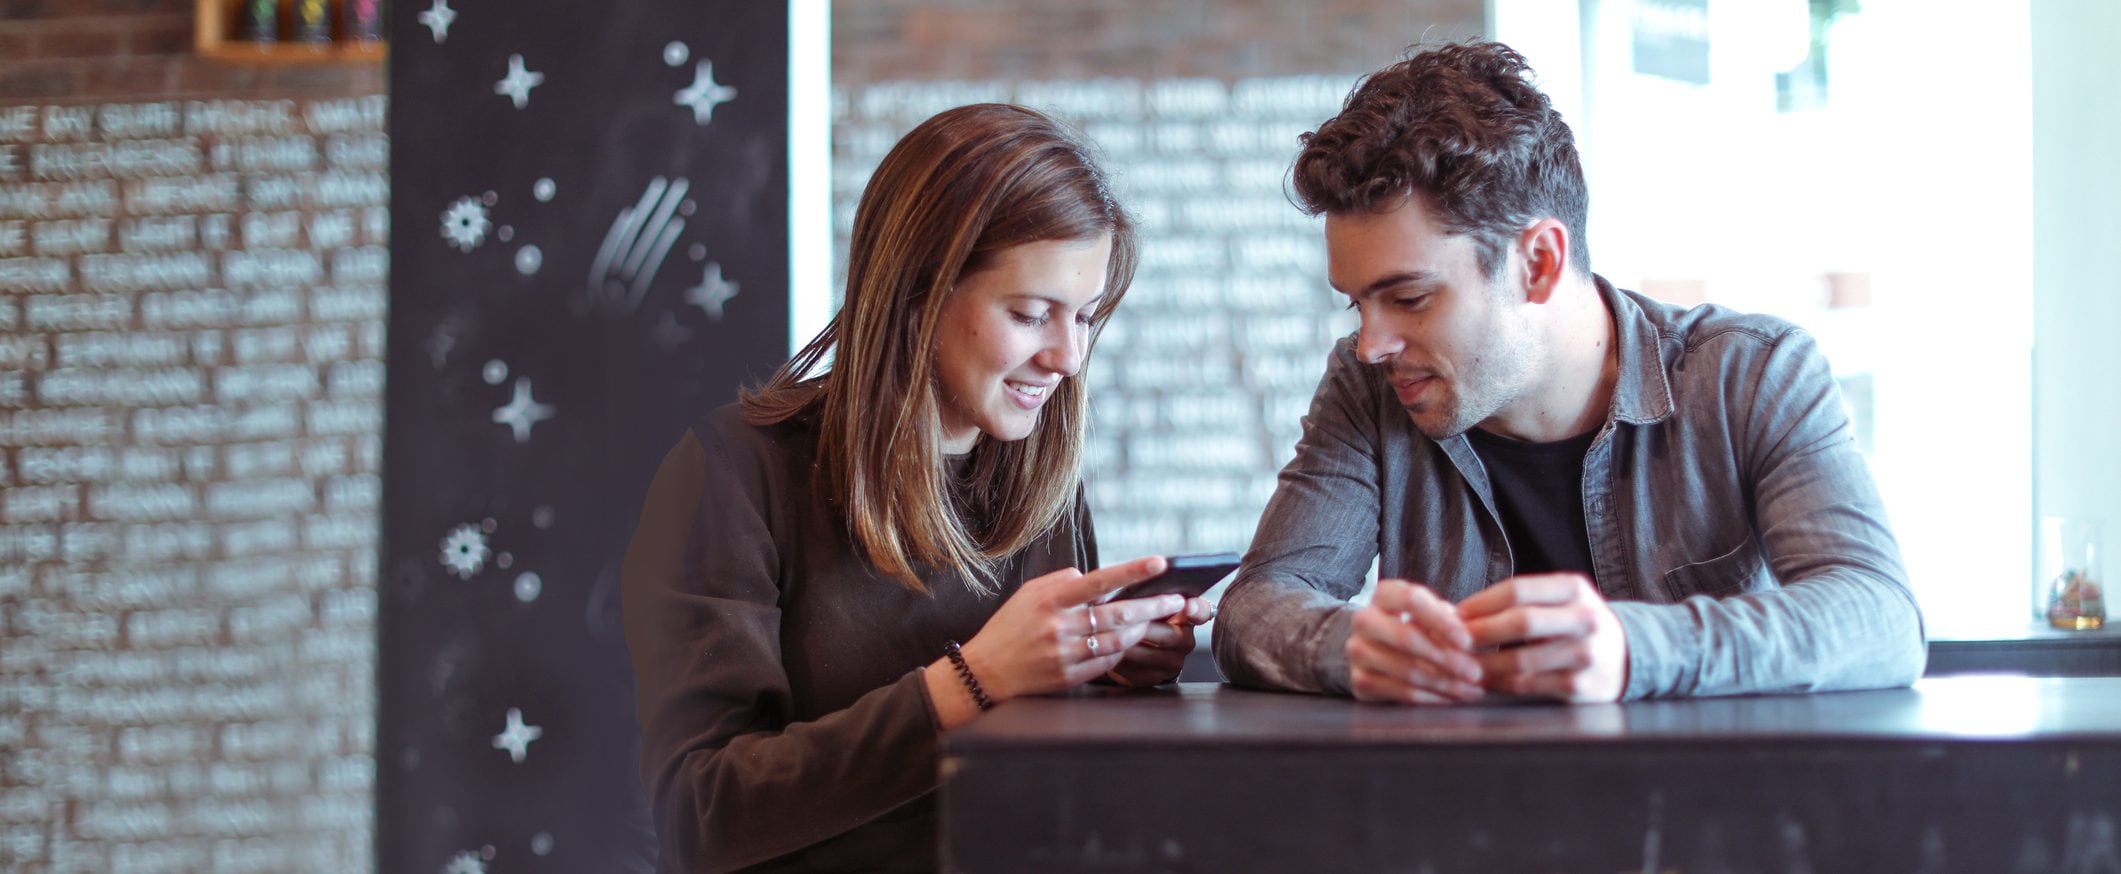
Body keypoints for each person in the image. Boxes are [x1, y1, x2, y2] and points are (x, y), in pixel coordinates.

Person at [1212, 41, 1925, 705]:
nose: (1370, 344)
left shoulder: (1752, 373)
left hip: (1702, 819)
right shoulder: (1365, 389)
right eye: (1357, 304)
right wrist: (1346, 645)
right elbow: (1254, 609)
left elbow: (1879, 616)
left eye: (1408, 298)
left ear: (1538, 263)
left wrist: (1631, 648)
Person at [620, 103, 1214, 872]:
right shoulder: (732, 474)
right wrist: (970, 682)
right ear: (918, 294)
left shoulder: (1043, 480)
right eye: (1032, 315)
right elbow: (699, 815)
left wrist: (1104, 671)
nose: (1068, 357)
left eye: (1086, 318)